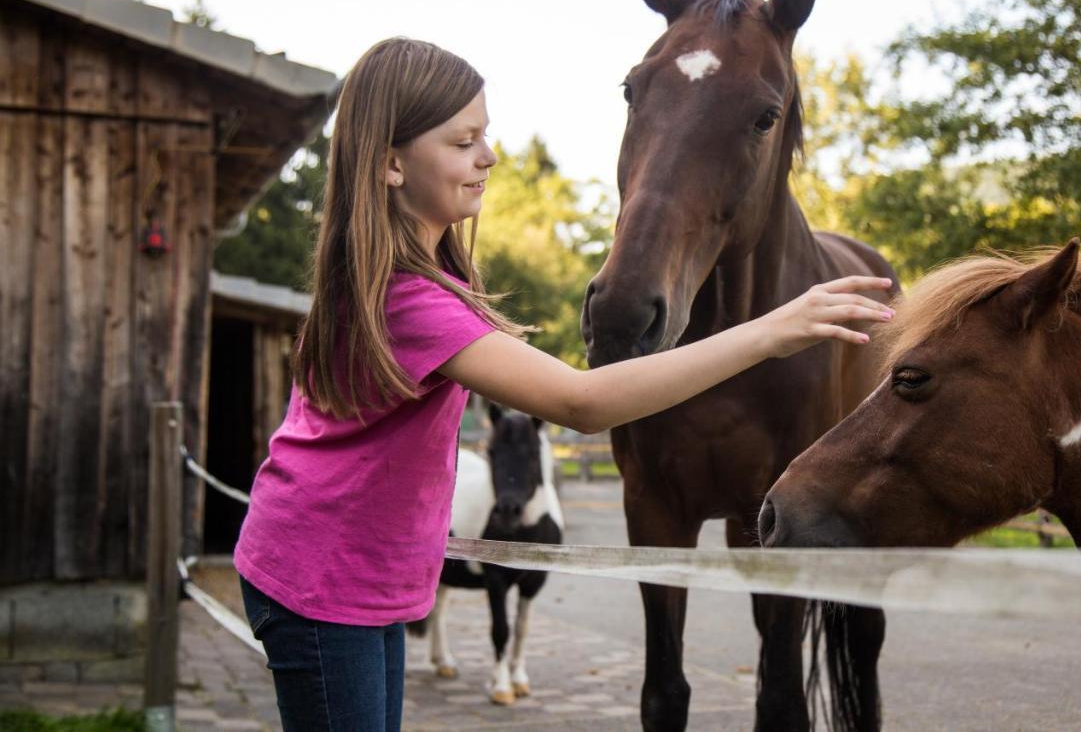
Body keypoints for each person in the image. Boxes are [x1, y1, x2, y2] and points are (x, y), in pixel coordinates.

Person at [233, 36, 895, 731]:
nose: (488, 155)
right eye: (463, 142)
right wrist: (771, 331)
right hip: (321, 579)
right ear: (391, 164)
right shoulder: (409, 300)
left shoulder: (428, 281)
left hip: (354, 575)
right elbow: (580, 402)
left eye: (484, 133)